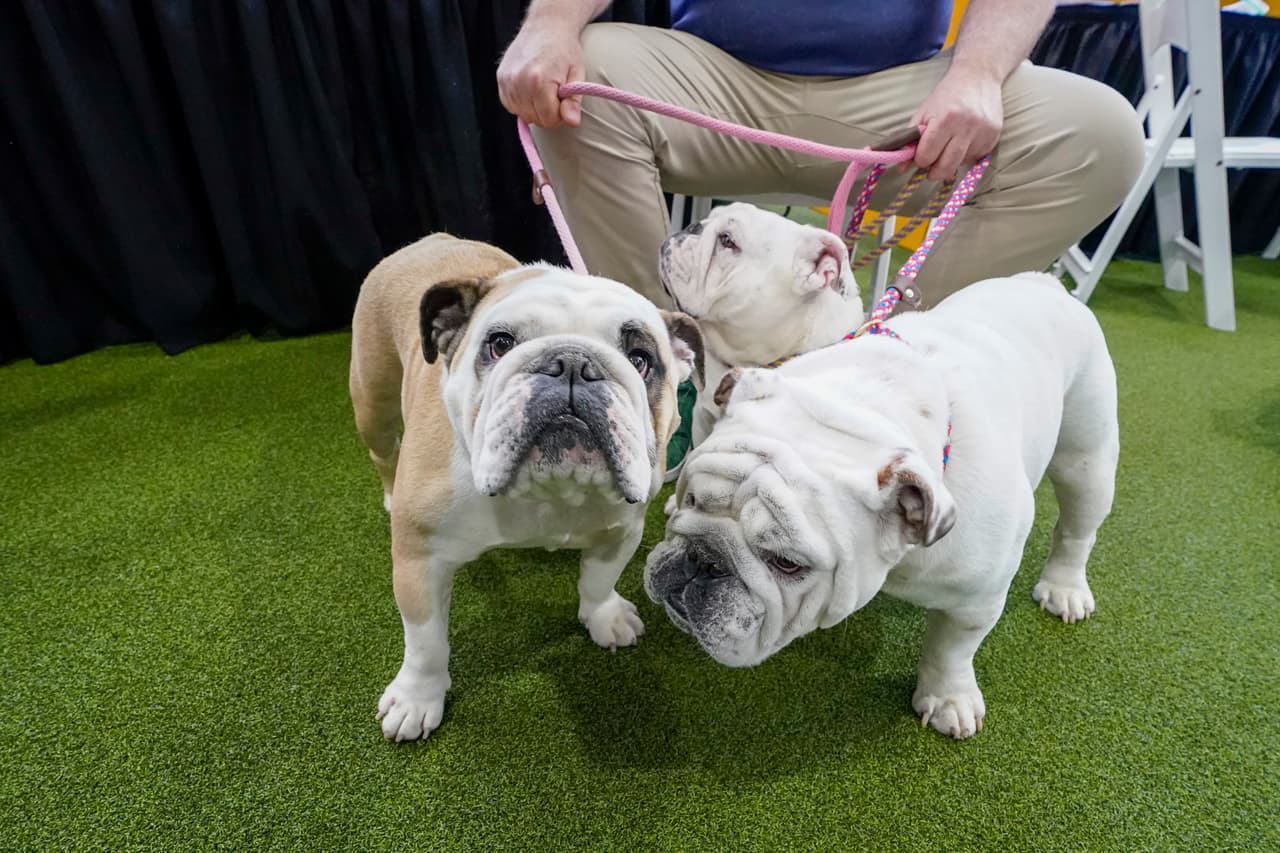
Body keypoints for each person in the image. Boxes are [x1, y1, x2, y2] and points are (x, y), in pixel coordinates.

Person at [496, 0, 1144, 312]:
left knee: (1101, 132)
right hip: (715, 81)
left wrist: (977, 72)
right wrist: (550, 25)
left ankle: (886, 355)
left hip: (902, 101)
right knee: (587, 74)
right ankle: (663, 365)